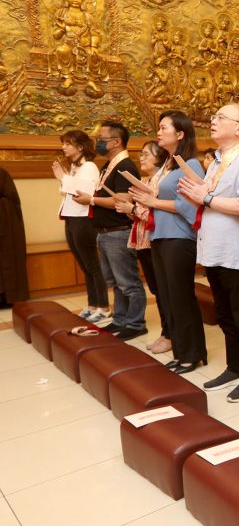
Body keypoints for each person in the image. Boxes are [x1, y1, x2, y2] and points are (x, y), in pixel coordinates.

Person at [178, 104, 239, 402]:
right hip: (214, 249)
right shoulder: (217, 160)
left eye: (220, 118)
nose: (212, 121)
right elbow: (212, 198)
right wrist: (198, 193)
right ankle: (235, 367)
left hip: (237, 250)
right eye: (213, 117)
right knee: (226, 315)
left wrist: (205, 197)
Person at [129, 110, 207, 374]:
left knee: (181, 297)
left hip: (178, 237)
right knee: (169, 298)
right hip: (159, 235)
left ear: (180, 134)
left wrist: (153, 201)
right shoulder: (167, 165)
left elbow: (189, 205)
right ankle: (182, 352)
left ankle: (192, 355)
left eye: (164, 128)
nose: (159, 132)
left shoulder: (190, 164)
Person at [86, 121, 147, 340]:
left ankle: (136, 323)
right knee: (115, 282)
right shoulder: (109, 165)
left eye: (101, 139)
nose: (97, 142)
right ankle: (121, 319)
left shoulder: (125, 166)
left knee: (128, 282)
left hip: (118, 232)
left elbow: (122, 200)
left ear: (116, 141)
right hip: (105, 232)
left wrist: (91, 200)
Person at [117, 141, 171, 354]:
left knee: (164, 292)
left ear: (159, 158)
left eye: (146, 154)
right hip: (142, 241)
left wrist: (132, 209)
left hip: (155, 241)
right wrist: (129, 210)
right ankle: (166, 332)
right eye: (141, 154)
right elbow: (141, 215)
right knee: (156, 290)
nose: (141, 157)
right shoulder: (144, 181)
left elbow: (158, 215)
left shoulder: (161, 183)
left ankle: (170, 334)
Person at [55, 130, 109, 323]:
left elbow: (84, 192)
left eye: (67, 143)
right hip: (71, 218)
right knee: (85, 266)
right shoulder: (74, 167)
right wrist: (65, 179)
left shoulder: (89, 166)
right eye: (63, 143)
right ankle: (92, 304)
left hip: (83, 219)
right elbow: (64, 191)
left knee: (93, 265)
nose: (63, 147)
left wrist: (63, 178)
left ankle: (103, 307)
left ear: (80, 147)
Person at [0, 167, 28, 307]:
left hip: (6, 226)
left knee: (9, 261)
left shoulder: (2, 174)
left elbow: (12, 199)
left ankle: (8, 297)